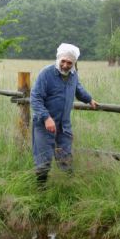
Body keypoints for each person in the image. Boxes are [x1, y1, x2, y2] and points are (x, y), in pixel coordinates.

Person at [30, 43, 98, 185]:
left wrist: (89, 99)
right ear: (58, 59)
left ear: (74, 63)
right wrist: (46, 117)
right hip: (43, 124)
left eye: (69, 62)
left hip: (64, 125)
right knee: (43, 160)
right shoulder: (46, 74)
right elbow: (35, 98)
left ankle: (67, 188)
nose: (66, 65)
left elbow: (78, 89)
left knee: (65, 158)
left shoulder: (73, 75)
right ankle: (40, 191)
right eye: (63, 61)